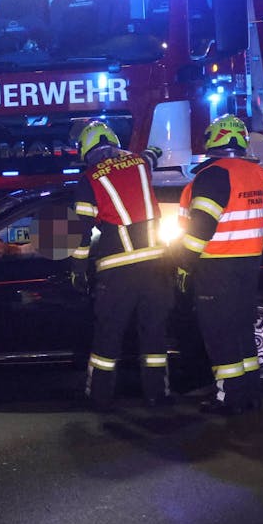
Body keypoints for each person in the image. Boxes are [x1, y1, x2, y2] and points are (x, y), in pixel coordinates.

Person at [70, 120, 173, 410]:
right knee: (154, 335)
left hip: (117, 270)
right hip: (157, 266)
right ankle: (158, 395)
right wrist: (153, 149)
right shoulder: (140, 163)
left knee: (108, 338)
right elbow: (152, 155)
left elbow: (82, 229)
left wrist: (78, 269)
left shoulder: (89, 178)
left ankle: (100, 398)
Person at [178, 114, 263, 415]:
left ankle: (228, 397)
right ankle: (249, 393)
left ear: (211, 139)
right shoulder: (255, 173)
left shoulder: (213, 175)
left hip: (216, 266)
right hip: (249, 263)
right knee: (242, 330)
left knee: (220, 333)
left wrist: (183, 265)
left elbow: (200, 227)